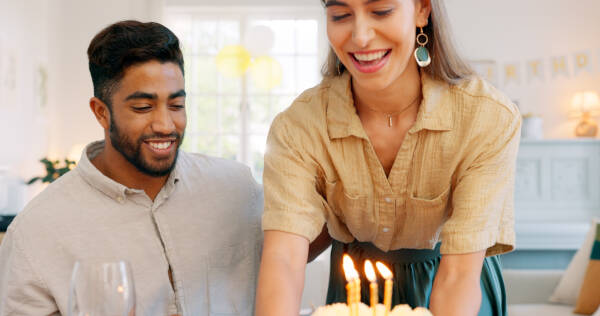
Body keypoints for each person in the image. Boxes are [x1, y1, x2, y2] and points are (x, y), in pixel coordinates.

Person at [255, 0, 520, 315]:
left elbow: (459, 274)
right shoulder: (298, 125)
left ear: (422, 10)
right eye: (340, 15)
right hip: (355, 287)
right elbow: (283, 259)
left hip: (455, 281)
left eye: (381, 11)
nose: (361, 37)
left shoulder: (487, 116)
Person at [0, 20, 263, 315]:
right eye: (143, 108)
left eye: (176, 105)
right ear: (102, 112)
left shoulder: (238, 188)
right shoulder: (36, 232)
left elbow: (295, 246)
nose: (165, 125)